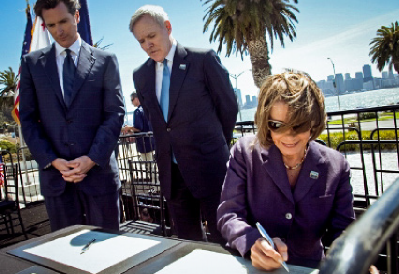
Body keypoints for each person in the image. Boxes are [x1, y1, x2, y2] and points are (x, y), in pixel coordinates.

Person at [217, 72, 355, 269]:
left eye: (298, 125)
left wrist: (352, 259)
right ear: (267, 124)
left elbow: (343, 231)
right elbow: (229, 214)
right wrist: (251, 243)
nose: (289, 136)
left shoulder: (336, 165)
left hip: (311, 268)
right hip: (254, 268)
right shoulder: (244, 153)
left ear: (313, 122)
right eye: (277, 125)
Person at [129, 5, 238, 243]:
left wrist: (215, 146)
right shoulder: (141, 75)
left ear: (167, 27)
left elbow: (228, 108)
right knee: (188, 245)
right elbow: (156, 120)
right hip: (172, 175)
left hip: (210, 169)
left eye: (151, 36)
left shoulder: (202, 59)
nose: (147, 44)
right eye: (141, 41)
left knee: (226, 239)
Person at [19, 0, 125, 232]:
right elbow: (27, 119)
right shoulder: (31, 65)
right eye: (51, 25)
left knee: (109, 257)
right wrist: (53, 161)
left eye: (64, 21)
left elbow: (114, 114)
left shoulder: (106, 61)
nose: (59, 30)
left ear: (76, 17)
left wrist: (91, 159)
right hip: (57, 181)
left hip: (100, 178)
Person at [122, 92, 155, 161]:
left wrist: (128, 128)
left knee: (149, 167)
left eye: (132, 100)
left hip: (144, 145)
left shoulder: (137, 112)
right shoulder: (148, 110)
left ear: (137, 99)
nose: (131, 103)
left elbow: (139, 128)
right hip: (153, 142)